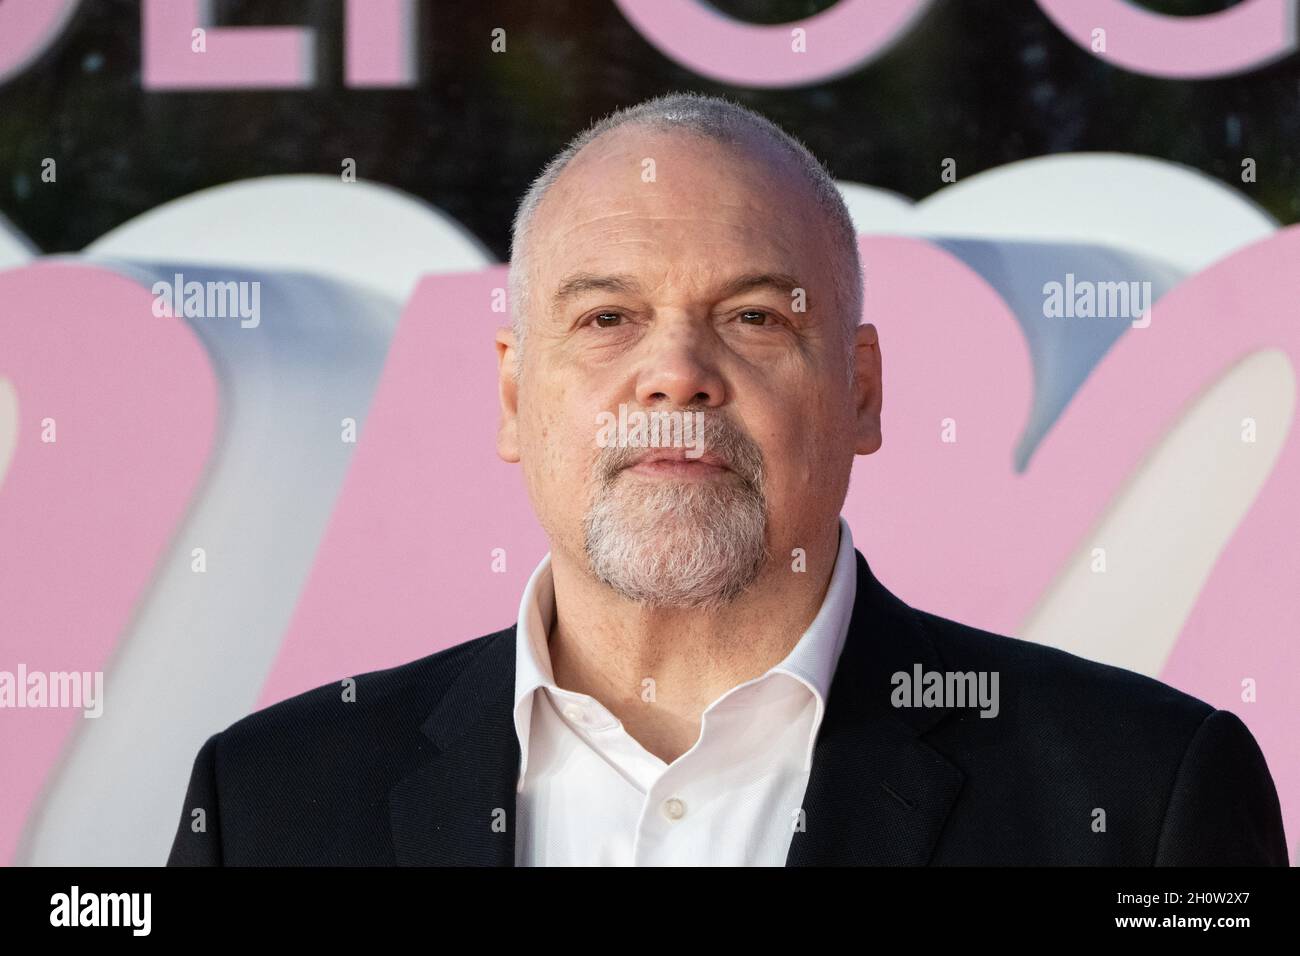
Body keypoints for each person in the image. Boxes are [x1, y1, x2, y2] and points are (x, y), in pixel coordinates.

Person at [167, 91, 1288, 866]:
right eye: (607, 319)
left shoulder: (1142, 795)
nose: (676, 375)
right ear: (514, 396)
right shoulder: (272, 801)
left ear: (860, 392)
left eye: (752, 317)